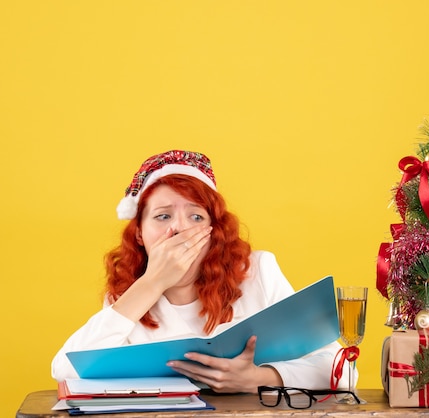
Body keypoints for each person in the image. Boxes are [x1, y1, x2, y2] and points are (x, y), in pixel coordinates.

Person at [51, 150, 352, 393]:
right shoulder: (129, 296)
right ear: (140, 234)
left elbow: (343, 369)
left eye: (195, 216)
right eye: (162, 216)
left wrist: (262, 377)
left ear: (213, 231)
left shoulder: (258, 272)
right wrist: (153, 282)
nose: (178, 229)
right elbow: (65, 369)